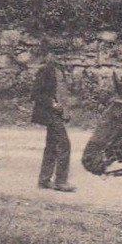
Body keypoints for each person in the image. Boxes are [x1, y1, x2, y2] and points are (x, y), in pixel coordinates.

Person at [30, 41, 75, 191]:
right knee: (64, 145)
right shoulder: (46, 71)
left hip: (57, 114)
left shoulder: (60, 71)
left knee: (51, 146)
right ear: (50, 55)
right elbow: (35, 94)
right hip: (50, 114)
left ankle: (44, 180)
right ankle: (61, 182)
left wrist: (66, 112)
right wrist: (52, 104)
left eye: (62, 54)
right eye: (56, 54)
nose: (59, 57)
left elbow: (62, 94)